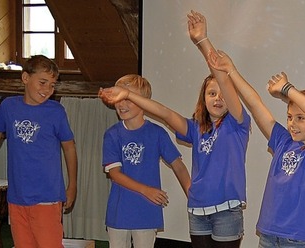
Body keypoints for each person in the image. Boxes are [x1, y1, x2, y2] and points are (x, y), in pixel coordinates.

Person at [100, 10, 251, 248]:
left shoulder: (237, 124)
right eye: (211, 93)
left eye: (222, 94)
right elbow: (165, 114)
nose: (217, 98)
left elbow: (223, 79)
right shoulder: (195, 128)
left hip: (226, 212)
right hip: (198, 210)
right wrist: (128, 94)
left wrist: (203, 41)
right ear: (203, 98)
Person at [207, 49, 305, 248]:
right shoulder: (283, 141)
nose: (292, 123)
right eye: (290, 117)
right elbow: (255, 104)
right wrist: (231, 69)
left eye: (300, 118)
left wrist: (287, 89)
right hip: (268, 234)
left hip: (298, 239)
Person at [0, 55, 78, 248]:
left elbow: (69, 147)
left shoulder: (56, 111)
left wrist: (72, 185)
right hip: (17, 197)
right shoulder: (9, 106)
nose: (47, 90)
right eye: (42, 82)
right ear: (25, 78)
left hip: (47, 197)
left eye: (52, 85)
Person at [101, 74, 191, 248]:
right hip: (119, 212)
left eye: (128, 98)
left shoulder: (157, 133)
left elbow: (178, 165)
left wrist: (192, 195)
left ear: (143, 102)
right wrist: (146, 190)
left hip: (147, 212)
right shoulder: (112, 134)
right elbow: (115, 174)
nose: (121, 104)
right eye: (119, 99)